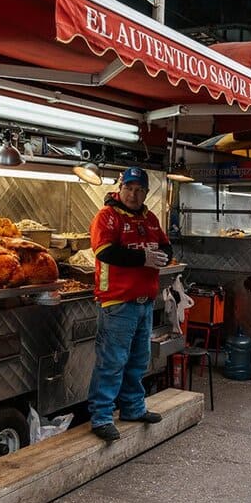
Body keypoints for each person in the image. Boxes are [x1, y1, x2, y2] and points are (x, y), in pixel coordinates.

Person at [87, 166, 172, 442]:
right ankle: (101, 417)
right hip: (117, 302)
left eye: (139, 190)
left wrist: (163, 256)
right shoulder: (107, 216)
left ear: (146, 193)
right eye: (129, 189)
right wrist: (143, 258)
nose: (133, 195)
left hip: (145, 302)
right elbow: (104, 251)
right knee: (112, 362)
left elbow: (166, 245)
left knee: (138, 360)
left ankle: (133, 408)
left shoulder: (150, 218)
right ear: (120, 188)